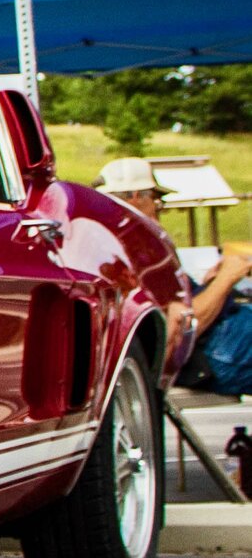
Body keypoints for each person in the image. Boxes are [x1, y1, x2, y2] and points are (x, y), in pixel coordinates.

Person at [100, 156, 252, 393]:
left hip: (227, 335)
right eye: (157, 201)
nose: (160, 210)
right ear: (138, 197)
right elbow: (181, 328)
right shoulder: (140, 253)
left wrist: (208, 285)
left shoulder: (121, 249)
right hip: (220, 347)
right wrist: (226, 279)